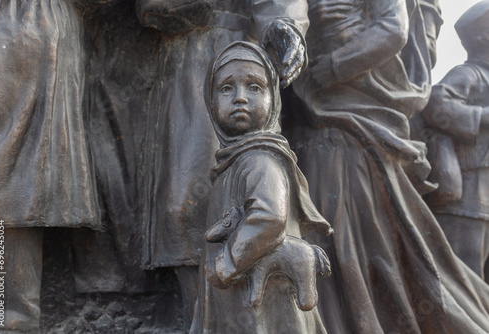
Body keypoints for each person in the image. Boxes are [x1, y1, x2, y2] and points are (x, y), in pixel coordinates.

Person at [285, 0, 489, 332]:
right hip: (317, 113)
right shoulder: (470, 75)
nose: (430, 41)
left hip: (351, 112)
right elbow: (440, 100)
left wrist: (334, 67)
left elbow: (393, 28)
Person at [137, 0, 310, 327]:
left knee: (212, 199)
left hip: (231, 48)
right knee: (181, 206)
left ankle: (224, 318)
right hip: (175, 61)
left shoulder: (248, 112)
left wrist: (283, 25)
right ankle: (203, 317)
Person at [191, 41, 332, 334]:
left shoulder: (260, 159)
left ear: (273, 101)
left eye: (255, 87)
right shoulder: (232, 161)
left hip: (264, 300)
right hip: (238, 296)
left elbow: (268, 218)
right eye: (226, 88)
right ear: (210, 99)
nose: (240, 97)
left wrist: (226, 265)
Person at [0, 1, 112, 332]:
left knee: (8, 181)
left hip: (25, 28)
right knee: (9, 178)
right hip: (31, 31)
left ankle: (7, 316)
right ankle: (9, 316)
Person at [422, 0, 489, 281]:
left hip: (484, 196)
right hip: (467, 198)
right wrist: (484, 117)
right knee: (465, 276)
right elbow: (435, 103)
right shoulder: (470, 73)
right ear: (481, 37)